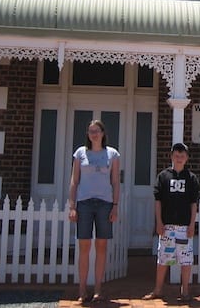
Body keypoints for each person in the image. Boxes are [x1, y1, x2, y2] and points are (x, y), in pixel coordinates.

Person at [68, 119, 120, 303]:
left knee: (101, 246)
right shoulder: (80, 153)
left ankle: (98, 288)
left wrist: (115, 206)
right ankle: (82, 289)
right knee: (84, 246)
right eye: (91, 131)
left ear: (103, 133)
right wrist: (72, 205)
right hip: (84, 203)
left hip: (105, 203)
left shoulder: (112, 154)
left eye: (96, 131)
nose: (94, 134)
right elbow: (74, 181)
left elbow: (115, 182)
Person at [142, 142, 200, 302]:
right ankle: (158, 289)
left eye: (182, 156)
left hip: (184, 226)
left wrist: (192, 224)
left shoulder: (192, 178)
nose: (179, 158)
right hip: (167, 226)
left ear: (187, 158)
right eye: (176, 155)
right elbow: (158, 201)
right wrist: (159, 222)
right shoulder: (163, 176)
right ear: (171, 157)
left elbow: (193, 203)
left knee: (185, 260)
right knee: (163, 259)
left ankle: (185, 291)